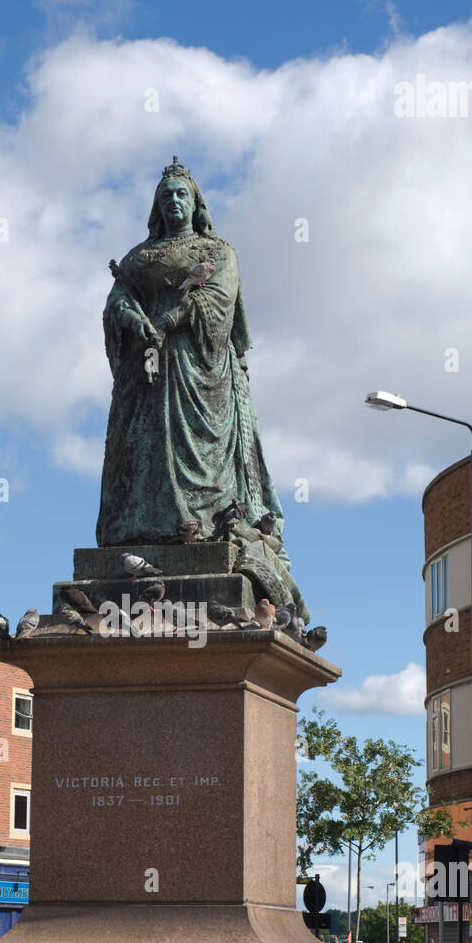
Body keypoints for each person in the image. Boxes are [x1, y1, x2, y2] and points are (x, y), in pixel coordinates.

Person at [96, 159, 308, 616]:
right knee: (143, 453)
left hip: (199, 368)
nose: (173, 201)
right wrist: (134, 318)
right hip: (146, 374)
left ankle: (207, 524)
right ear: (156, 205)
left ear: (195, 204)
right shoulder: (137, 257)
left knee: (204, 458)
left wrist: (168, 320)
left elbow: (218, 298)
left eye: (181, 194)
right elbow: (117, 299)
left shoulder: (219, 251)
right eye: (166, 195)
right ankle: (145, 528)